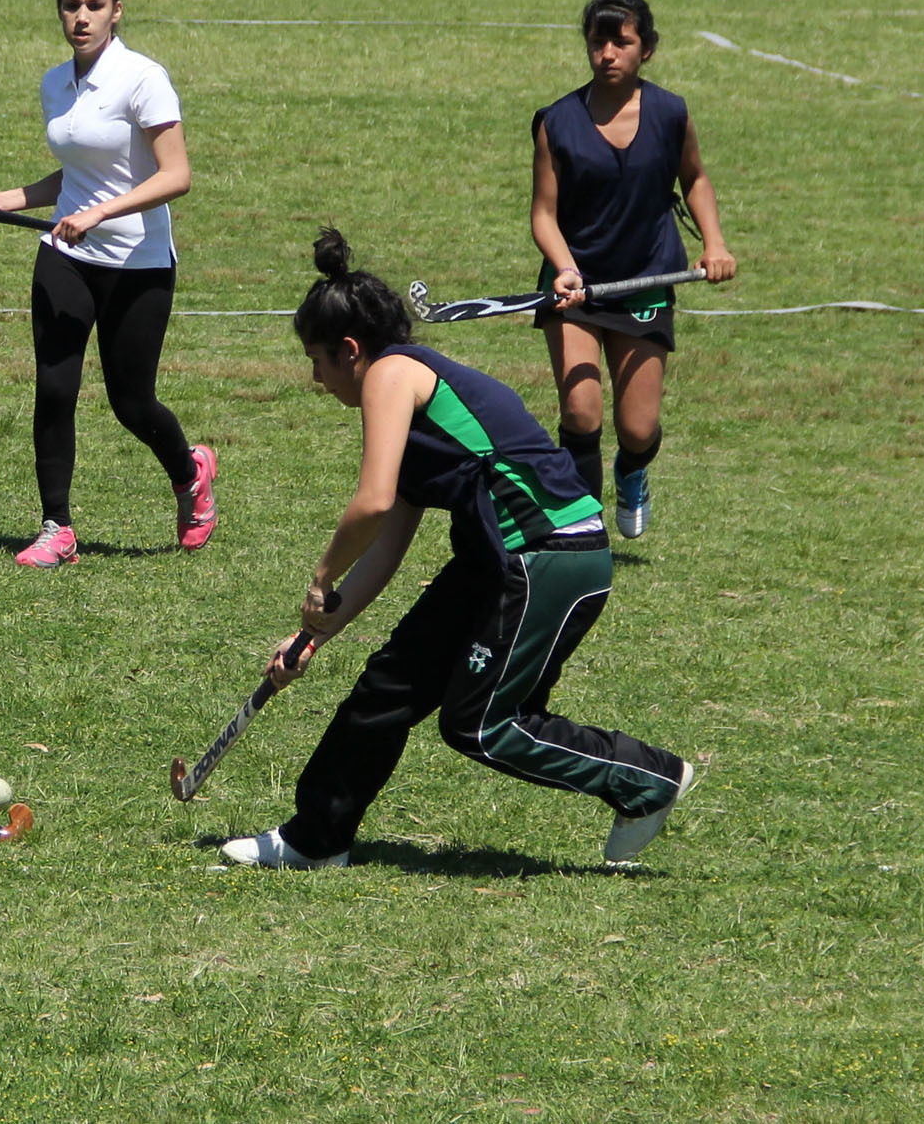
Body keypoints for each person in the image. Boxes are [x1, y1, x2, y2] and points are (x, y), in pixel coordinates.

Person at [219, 230, 696, 871]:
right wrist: (313, 636)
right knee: (389, 685)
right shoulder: (418, 398)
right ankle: (317, 838)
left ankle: (648, 780)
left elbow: (373, 503)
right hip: (497, 561)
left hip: (549, 556)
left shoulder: (392, 375)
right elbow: (389, 543)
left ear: (350, 350)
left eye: (316, 360)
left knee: (482, 724)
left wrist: (321, 575)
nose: (314, 378)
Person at [0, 0, 214, 568]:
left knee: (132, 402)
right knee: (54, 388)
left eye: (94, 5)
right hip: (65, 256)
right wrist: (7, 200)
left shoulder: (143, 79)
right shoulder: (56, 83)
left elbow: (174, 175)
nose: (81, 17)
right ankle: (57, 527)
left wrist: (100, 213)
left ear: (117, 10)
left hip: (137, 263)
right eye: (71, 5)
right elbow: (72, 176)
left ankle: (190, 474)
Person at [528, 0, 736, 539]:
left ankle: (633, 471)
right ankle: (579, 525)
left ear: (647, 49)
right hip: (576, 289)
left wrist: (714, 243)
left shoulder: (670, 113)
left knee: (637, 428)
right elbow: (543, 215)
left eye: (622, 42)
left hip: (647, 280)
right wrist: (564, 267)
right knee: (580, 412)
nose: (608, 54)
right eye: (599, 42)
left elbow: (693, 178)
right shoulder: (557, 122)